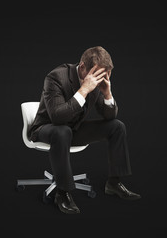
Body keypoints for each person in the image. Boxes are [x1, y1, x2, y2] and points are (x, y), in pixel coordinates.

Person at [28, 46, 141, 214]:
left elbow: (109, 116)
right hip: (47, 128)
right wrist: (84, 90)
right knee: (62, 131)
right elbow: (57, 118)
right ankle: (63, 192)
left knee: (117, 126)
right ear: (82, 67)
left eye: (104, 75)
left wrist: (107, 94)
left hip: (73, 129)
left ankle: (113, 183)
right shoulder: (56, 77)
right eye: (97, 74)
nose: (99, 79)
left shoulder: (95, 82)